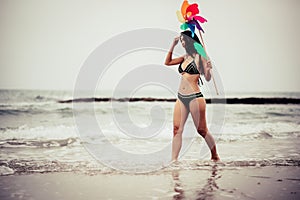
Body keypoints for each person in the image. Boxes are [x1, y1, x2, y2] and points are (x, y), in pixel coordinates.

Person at [164, 30, 220, 162]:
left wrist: (209, 68)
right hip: (181, 97)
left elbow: (207, 78)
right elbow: (167, 62)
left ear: (190, 40)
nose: (182, 43)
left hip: (195, 97)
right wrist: (173, 44)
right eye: (181, 40)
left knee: (202, 130)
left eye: (184, 40)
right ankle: (174, 161)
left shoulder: (200, 56)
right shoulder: (183, 58)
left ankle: (215, 155)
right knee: (176, 129)